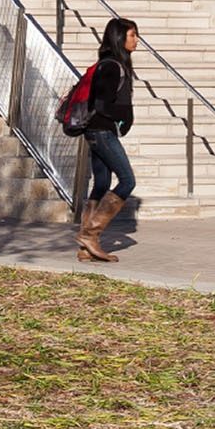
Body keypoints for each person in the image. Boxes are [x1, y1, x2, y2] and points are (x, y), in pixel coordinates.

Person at [77, 16, 137, 263]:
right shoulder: (111, 66)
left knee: (102, 183)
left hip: (98, 131)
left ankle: (85, 247)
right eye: (132, 35)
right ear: (119, 38)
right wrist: (124, 115)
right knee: (127, 181)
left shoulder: (113, 65)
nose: (136, 40)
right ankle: (90, 234)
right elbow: (100, 104)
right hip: (101, 131)